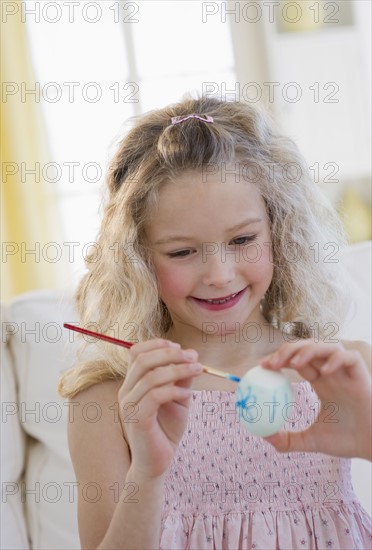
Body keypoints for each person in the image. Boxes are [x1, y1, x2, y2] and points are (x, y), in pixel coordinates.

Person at [58, 96, 372, 549]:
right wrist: (148, 472)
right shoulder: (112, 401)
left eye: (243, 239)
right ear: (138, 259)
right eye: (182, 252)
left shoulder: (341, 369)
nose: (219, 275)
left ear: (279, 232)